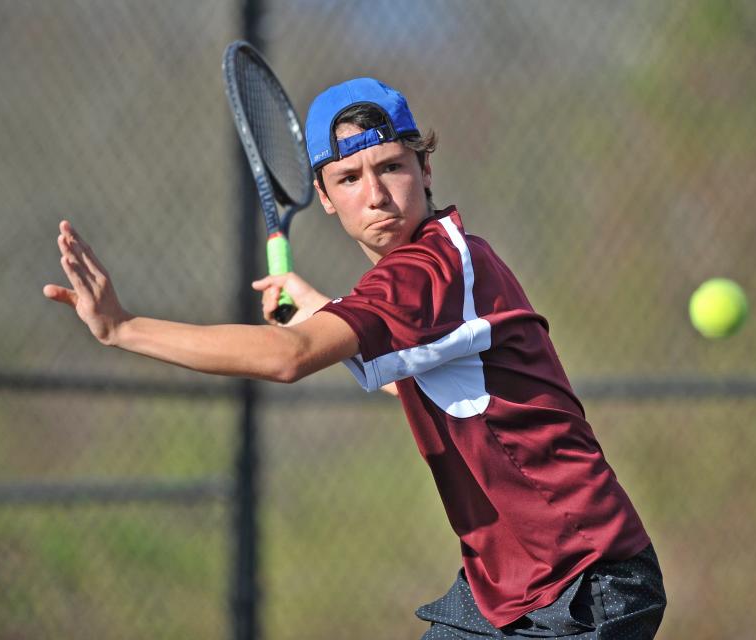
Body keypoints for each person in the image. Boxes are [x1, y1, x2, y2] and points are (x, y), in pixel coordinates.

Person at [44, 77, 666, 638]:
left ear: (425, 168)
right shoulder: (439, 265)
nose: (377, 196)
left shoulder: (431, 268)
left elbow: (289, 358)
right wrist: (319, 305)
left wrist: (124, 328)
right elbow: (430, 383)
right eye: (349, 178)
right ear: (324, 194)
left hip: (585, 584)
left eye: (391, 166)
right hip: (511, 586)